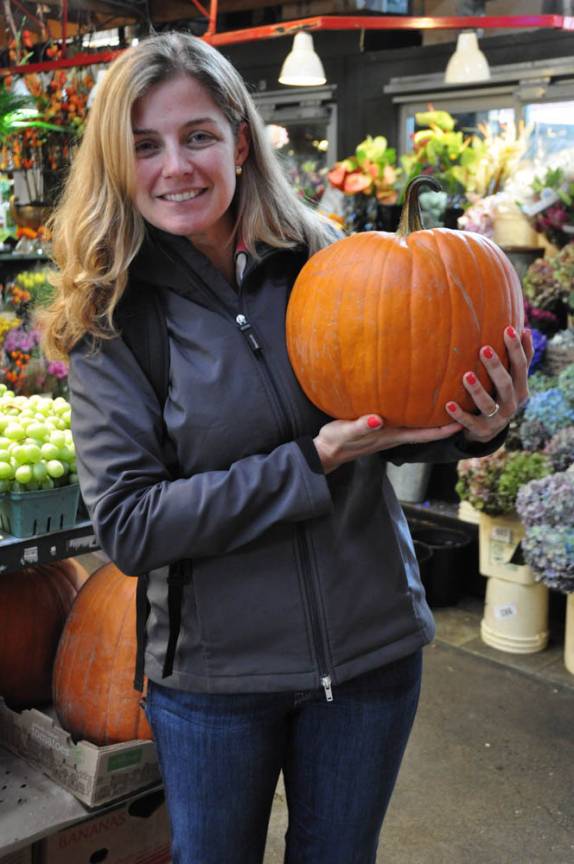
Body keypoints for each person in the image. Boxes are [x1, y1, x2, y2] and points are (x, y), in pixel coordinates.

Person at [41, 31, 533, 864]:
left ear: (238, 138)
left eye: (197, 136)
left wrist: (484, 425)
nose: (176, 168)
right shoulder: (113, 318)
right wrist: (313, 461)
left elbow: (407, 416)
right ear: (116, 166)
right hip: (215, 684)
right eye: (145, 147)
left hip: (372, 656)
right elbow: (130, 525)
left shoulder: (333, 264)